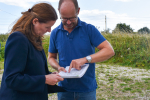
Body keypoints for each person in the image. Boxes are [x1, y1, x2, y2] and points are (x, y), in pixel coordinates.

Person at [48, 0, 115, 100]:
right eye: (64, 18)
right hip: (64, 90)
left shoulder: (89, 29)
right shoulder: (55, 33)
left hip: (87, 90)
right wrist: (58, 67)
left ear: (78, 11)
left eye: (72, 18)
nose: (69, 22)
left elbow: (109, 51)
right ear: (59, 12)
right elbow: (51, 58)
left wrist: (85, 59)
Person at [0, 2, 66, 100]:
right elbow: (12, 79)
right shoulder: (18, 39)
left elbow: (32, 70)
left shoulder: (34, 39)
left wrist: (49, 75)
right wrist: (44, 79)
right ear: (35, 21)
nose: (49, 30)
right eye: (47, 27)